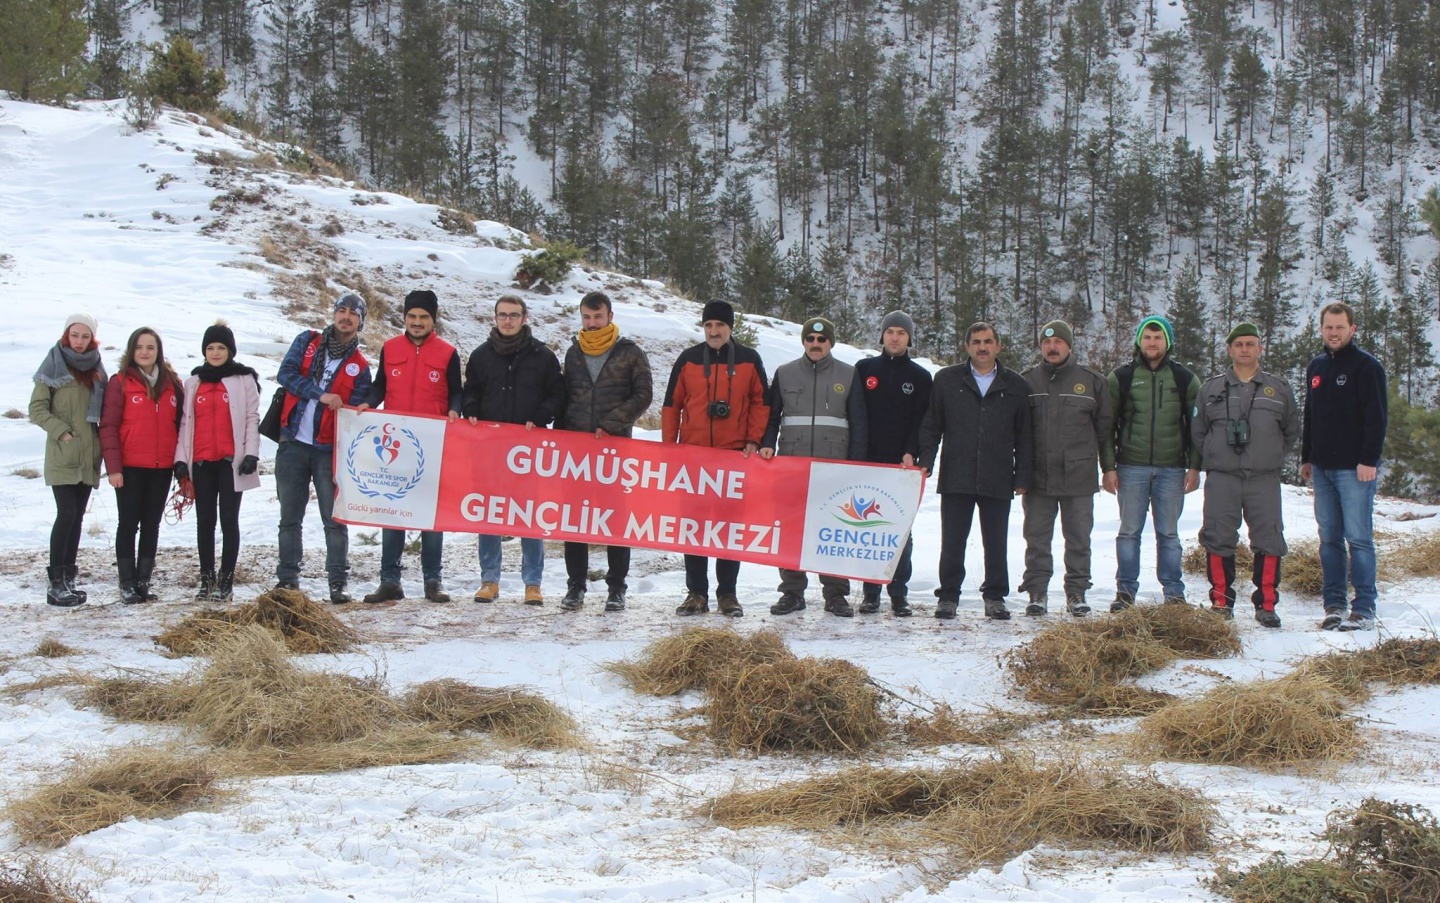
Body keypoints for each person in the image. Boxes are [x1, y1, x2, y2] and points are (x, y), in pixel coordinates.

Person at [662, 300, 769, 618]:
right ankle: (696, 593)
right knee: (693, 528)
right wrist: (670, 447)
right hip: (693, 458)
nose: (713, 331)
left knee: (728, 528)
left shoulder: (750, 360)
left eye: (719, 325)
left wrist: (753, 440)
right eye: (708, 325)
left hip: (734, 458)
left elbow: (761, 403)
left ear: (730, 327)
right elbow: (671, 405)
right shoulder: (688, 360)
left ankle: (727, 594)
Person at [919, 322, 1032, 621]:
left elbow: (1025, 437)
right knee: (952, 540)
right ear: (967, 347)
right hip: (957, 473)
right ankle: (948, 596)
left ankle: (995, 596)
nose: (982, 347)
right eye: (976, 342)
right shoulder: (946, 380)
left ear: (999, 346)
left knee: (995, 541)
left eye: (988, 341)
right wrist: (926, 461)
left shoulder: (1017, 386)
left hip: (997, 474)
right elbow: (932, 426)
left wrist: (1022, 475)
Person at [358, 290, 462, 605]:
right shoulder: (390, 348)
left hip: (431, 445)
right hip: (396, 445)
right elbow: (380, 386)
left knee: (430, 516)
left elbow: (456, 391)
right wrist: (367, 404)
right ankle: (390, 581)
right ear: (405, 318)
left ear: (433, 320)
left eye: (424, 317)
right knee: (394, 512)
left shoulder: (447, 353)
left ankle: (433, 581)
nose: (417, 323)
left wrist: (455, 409)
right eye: (412, 317)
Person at [1193, 323, 1299, 627]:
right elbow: (1199, 433)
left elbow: (1290, 431)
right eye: (1238, 344)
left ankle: (1266, 604)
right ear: (1229, 349)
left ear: (1259, 349)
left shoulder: (1277, 389)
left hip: (1263, 478)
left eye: (1250, 344)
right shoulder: (1211, 389)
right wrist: (1216, 455)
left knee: (1269, 539)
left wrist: (1270, 455)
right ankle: (1221, 602)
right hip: (1222, 478)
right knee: (1217, 538)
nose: (1244, 349)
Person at [463, 294, 565, 605]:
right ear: (495, 318)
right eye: (502, 315)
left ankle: (532, 583)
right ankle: (489, 580)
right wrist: (471, 408)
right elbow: (471, 391)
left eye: (514, 315)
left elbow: (558, 394)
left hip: (529, 450)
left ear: (524, 318)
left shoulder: (543, 357)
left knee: (529, 515)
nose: (508, 320)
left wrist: (541, 415)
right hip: (490, 449)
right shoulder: (480, 356)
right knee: (489, 515)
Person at [274, 292, 372, 603]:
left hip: (328, 450)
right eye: (341, 310)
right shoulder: (308, 341)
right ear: (333, 314)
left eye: (352, 313)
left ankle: (337, 581)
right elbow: (286, 375)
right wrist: (320, 394)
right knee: (290, 516)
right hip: (293, 443)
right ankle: (288, 578)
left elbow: (356, 411)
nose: (345, 316)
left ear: (360, 321)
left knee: (334, 519)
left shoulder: (360, 366)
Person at [558, 291, 652, 613]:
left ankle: (617, 587)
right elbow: (565, 397)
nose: (592, 323)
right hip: (577, 452)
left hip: (614, 449)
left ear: (610, 316)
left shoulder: (630, 353)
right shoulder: (573, 353)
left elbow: (644, 394)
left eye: (598, 317)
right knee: (574, 520)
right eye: (586, 317)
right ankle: (576, 586)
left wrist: (613, 423)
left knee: (614, 519)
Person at [760, 316, 858, 618]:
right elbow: (772, 415)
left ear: (831, 343)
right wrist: (767, 443)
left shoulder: (849, 374)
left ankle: (836, 595)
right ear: (803, 341)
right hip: (792, 463)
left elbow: (858, 422)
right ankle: (792, 592)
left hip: (834, 466)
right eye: (810, 339)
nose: (816, 344)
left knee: (833, 530)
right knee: (791, 529)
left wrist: (855, 460)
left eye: (822, 339)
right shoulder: (785, 373)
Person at [1300, 302, 1388, 632]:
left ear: (1352, 329)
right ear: (1321, 329)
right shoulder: (1317, 367)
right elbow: (1312, 415)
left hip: (1355, 469)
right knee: (1330, 539)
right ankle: (1334, 604)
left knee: (1359, 537)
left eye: (1340, 327)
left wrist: (1369, 459)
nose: (1334, 333)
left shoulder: (1367, 367)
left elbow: (1377, 418)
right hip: (1322, 468)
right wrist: (1307, 456)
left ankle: (1364, 607)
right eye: (1328, 327)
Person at [1104, 315, 1201, 611]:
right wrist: (1108, 467)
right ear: (1139, 341)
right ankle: (1125, 591)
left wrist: (1195, 466)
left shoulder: (1185, 378)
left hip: (1172, 468)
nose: (1152, 343)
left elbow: (1197, 425)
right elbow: (1106, 425)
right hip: (1131, 466)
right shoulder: (1121, 377)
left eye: (1158, 338)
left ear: (1167, 342)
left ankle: (1173, 591)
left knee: (1169, 534)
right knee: (1129, 532)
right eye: (1147, 337)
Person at [1018, 320, 1114, 617]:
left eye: (1058, 342)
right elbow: (1016, 433)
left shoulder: (1093, 382)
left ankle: (1077, 592)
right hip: (1038, 478)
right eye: (1047, 343)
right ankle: (1037, 593)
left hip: (1078, 477)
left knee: (1078, 538)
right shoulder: (1027, 382)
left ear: (1069, 346)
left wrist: (1108, 469)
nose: (1052, 347)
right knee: (1036, 538)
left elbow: (1106, 432)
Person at [848, 310, 932, 616]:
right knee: (868, 529)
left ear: (909, 338)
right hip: (868, 463)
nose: (895, 337)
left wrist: (912, 451)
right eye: (889, 332)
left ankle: (899, 593)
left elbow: (922, 421)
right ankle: (871, 592)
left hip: (903, 467)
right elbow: (856, 415)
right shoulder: (864, 369)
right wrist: (857, 454)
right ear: (882, 336)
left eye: (901, 333)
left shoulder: (921, 377)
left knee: (900, 532)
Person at [174, 322, 262, 604]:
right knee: (205, 523)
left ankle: (226, 580)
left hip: (230, 462)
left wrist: (251, 453)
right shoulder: (193, 383)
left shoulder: (243, 379)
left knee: (228, 521)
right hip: (201, 462)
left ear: (230, 350)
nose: (215, 352)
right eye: (210, 348)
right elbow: (185, 423)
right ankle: (206, 578)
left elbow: (251, 418)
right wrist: (180, 460)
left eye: (221, 347)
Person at [100, 327, 183, 604]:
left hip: (161, 467)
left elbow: (182, 425)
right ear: (131, 351)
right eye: (139, 347)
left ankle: (143, 581)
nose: (145, 352)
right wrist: (114, 468)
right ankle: (126, 583)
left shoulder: (172, 383)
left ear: (158, 351)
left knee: (151, 525)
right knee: (128, 524)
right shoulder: (120, 382)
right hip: (130, 467)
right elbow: (109, 426)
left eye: (150, 347)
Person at [30, 313, 106, 607]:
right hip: (63, 454)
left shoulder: (97, 369)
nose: (79, 342)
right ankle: (55, 583)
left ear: (92, 339)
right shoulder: (52, 366)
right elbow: (36, 409)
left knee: (77, 517)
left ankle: (69, 576)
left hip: (88, 455)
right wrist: (61, 433)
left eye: (85, 336)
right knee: (67, 513)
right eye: (74, 335)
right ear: (66, 335)